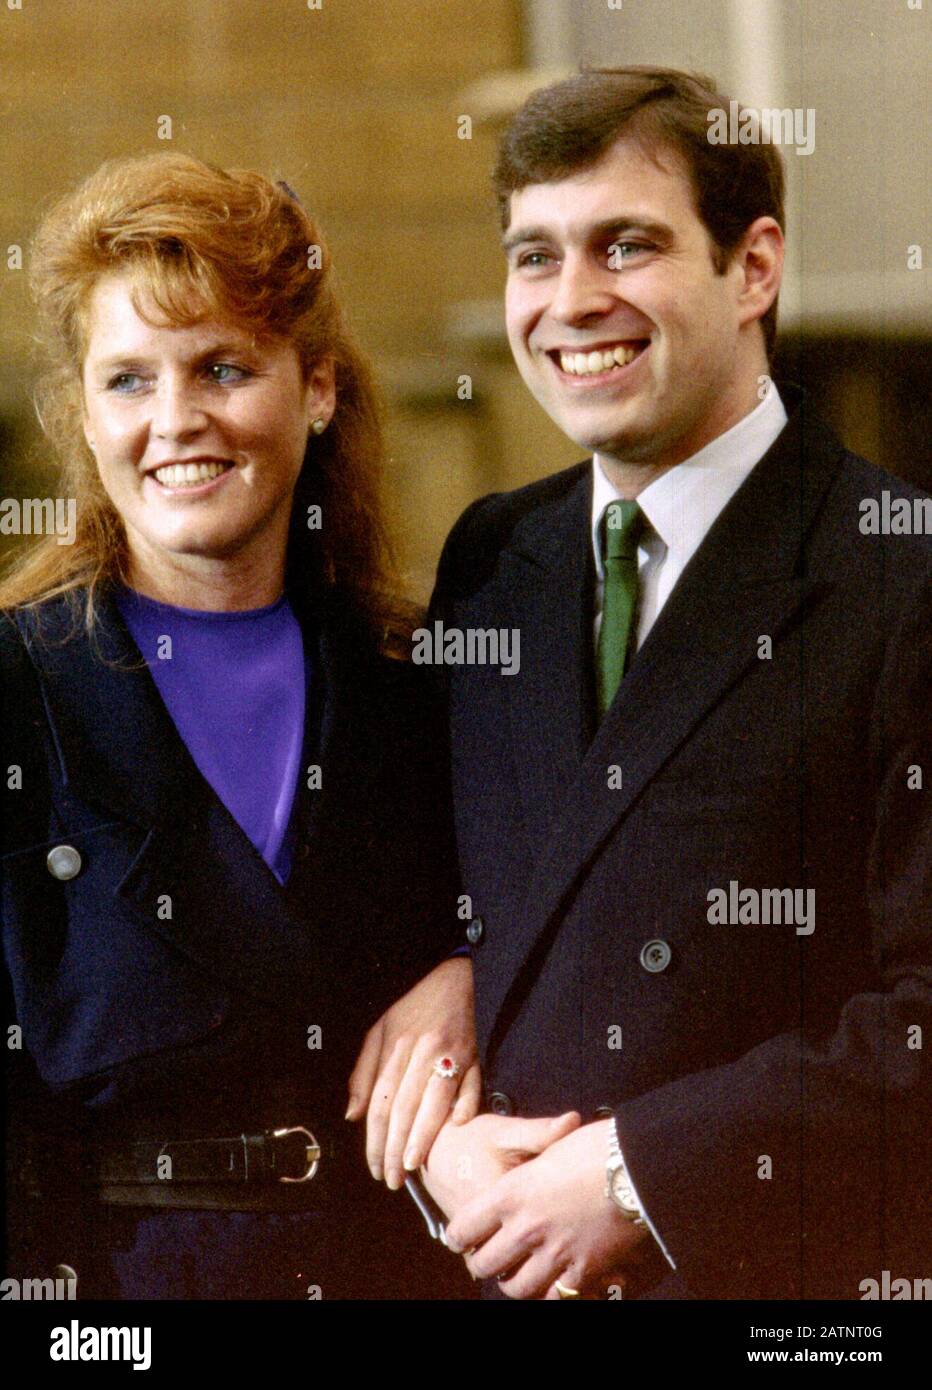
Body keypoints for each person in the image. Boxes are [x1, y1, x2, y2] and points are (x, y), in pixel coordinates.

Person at [417, 66, 931, 1300]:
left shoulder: (901, 573)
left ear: (752, 268)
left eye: (624, 245)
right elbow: (452, 899)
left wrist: (632, 1175)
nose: (570, 301)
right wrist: (439, 1107)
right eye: (532, 256)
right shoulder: (493, 560)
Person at [0, 152, 478, 1299]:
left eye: (222, 368)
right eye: (128, 381)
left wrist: (479, 965)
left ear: (314, 387)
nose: (176, 422)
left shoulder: (422, 682)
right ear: (79, 412)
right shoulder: (17, 693)